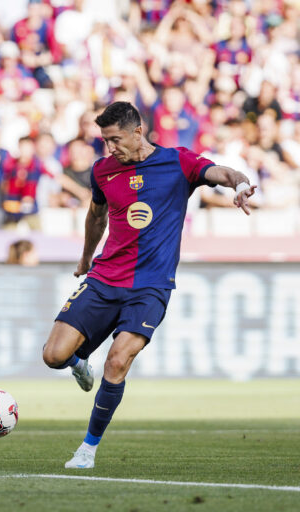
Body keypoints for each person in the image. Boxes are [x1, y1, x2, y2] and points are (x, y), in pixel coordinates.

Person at [41, 102, 256, 469]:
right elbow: (96, 216)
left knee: (118, 359)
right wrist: (84, 259)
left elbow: (220, 171)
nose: (110, 148)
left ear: (138, 131)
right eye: (106, 141)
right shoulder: (102, 171)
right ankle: (79, 363)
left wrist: (241, 182)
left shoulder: (178, 162)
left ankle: (87, 450)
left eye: (115, 140)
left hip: (151, 287)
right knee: (53, 356)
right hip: (105, 278)